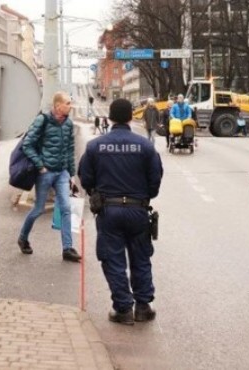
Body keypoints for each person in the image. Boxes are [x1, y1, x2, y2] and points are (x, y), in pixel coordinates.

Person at [78, 98, 163, 325]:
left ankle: (123, 308)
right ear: (129, 118)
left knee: (113, 259)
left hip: (109, 211)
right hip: (138, 210)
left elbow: (85, 176)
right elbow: (155, 179)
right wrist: (144, 196)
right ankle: (144, 306)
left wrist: (96, 191)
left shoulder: (95, 146)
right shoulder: (145, 146)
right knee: (141, 258)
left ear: (111, 118)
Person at [16, 91, 81, 263]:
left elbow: (69, 150)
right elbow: (27, 144)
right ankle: (23, 238)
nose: (70, 106)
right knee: (38, 209)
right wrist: (40, 165)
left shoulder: (68, 124)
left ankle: (67, 248)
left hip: (61, 173)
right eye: (67, 103)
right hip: (45, 173)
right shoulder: (42, 120)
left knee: (66, 208)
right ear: (57, 105)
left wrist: (71, 175)